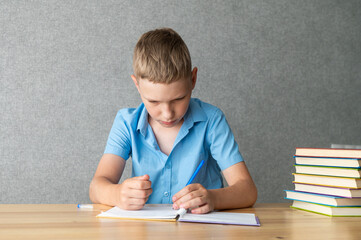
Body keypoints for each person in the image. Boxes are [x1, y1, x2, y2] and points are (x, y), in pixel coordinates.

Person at [89, 28, 257, 214]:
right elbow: (96, 187)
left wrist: (213, 198)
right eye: (154, 101)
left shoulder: (211, 120)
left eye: (178, 99)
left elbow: (247, 191)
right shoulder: (126, 123)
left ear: (193, 79)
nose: (167, 113)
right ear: (137, 85)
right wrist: (117, 193)